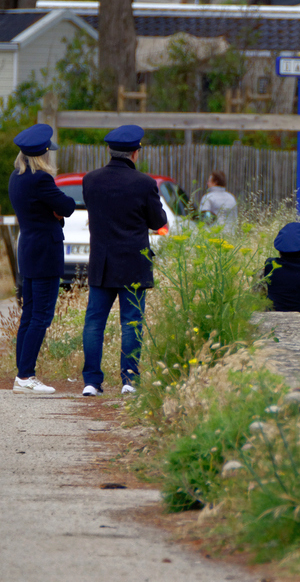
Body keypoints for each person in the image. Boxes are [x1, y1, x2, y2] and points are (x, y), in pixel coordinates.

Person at [80, 124, 169, 397]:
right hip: (133, 263)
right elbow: (159, 221)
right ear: (135, 152)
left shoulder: (90, 180)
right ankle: (129, 380)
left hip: (101, 263)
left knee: (94, 322)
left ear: (110, 150)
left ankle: (91, 382)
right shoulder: (144, 183)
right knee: (131, 323)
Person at [8, 123, 76, 394]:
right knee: (41, 316)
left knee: (29, 314)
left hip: (28, 250)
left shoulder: (16, 177)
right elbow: (68, 207)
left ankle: (22, 375)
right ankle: (26, 377)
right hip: (46, 252)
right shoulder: (41, 179)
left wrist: (53, 211)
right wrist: (55, 212)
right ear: (42, 154)